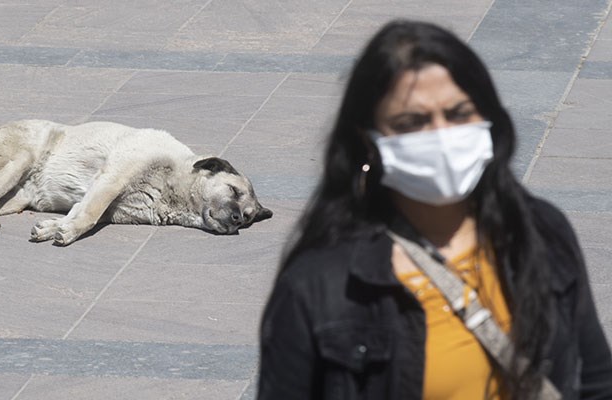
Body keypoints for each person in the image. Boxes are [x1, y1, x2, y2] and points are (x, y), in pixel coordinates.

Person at [257, 19, 612, 400]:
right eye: (412, 123)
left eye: (459, 114)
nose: (441, 136)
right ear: (368, 141)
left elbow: (595, 382)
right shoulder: (322, 284)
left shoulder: (540, 232)